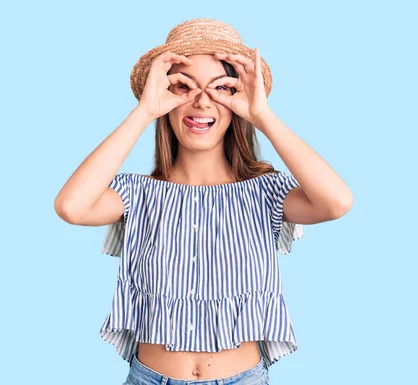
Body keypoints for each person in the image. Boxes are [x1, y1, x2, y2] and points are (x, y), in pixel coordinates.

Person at [54, 18, 353, 385]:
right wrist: (144, 112)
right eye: (184, 87)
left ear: (238, 99)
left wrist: (263, 116)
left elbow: (336, 202)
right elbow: (71, 207)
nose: (201, 102)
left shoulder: (265, 192)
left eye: (220, 88)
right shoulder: (136, 193)